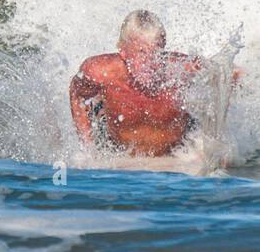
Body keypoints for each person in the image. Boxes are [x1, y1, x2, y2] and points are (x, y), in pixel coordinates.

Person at [69, 10, 217, 157]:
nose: (151, 63)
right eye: (141, 53)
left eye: (157, 53)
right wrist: (89, 150)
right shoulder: (101, 72)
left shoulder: (180, 70)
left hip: (178, 150)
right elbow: (77, 93)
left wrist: (215, 144)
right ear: (123, 50)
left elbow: (228, 75)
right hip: (117, 147)